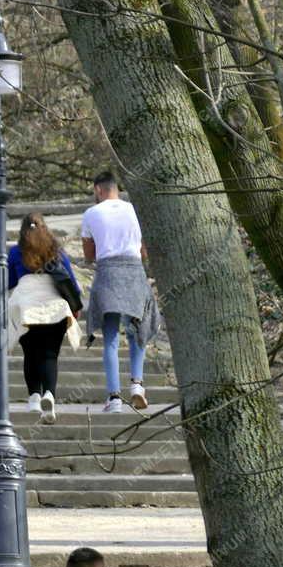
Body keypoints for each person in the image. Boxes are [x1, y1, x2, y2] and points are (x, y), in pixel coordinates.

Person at [80, 169, 160, 415]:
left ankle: (114, 398)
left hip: (107, 276)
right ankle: (137, 385)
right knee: (138, 331)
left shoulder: (91, 214)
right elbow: (145, 250)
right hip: (134, 272)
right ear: (117, 189)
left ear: (98, 190)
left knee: (111, 339)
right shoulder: (135, 209)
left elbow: (89, 255)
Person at [7, 211, 83, 425]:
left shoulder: (15, 253)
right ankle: (49, 394)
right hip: (54, 307)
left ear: (22, 230)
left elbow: (8, 282)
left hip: (26, 306)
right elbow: (70, 281)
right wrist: (75, 307)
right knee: (50, 355)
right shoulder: (56, 251)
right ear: (45, 228)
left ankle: (33, 397)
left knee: (30, 353)